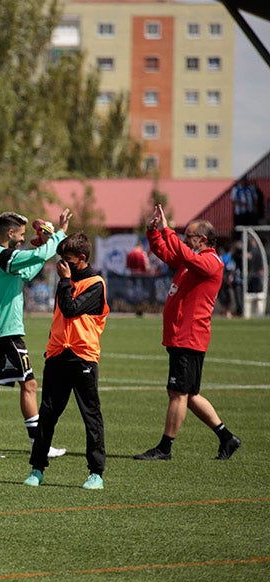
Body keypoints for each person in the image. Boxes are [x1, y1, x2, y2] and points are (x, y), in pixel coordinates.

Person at [134, 205, 242, 461]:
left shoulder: (210, 262)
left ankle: (165, 448)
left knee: (178, 393)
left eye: (188, 236)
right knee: (189, 395)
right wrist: (153, 232)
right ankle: (227, 438)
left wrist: (168, 229)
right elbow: (165, 252)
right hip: (182, 336)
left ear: (202, 240)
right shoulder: (191, 261)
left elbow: (184, 254)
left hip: (189, 337)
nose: (184, 240)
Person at [0, 208, 72, 459]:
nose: (22, 238)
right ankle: (39, 445)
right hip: (8, 332)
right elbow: (37, 255)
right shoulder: (4, 256)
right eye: (21, 234)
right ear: (10, 232)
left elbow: (28, 270)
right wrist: (58, 236)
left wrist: (44, 248)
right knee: (29, 385)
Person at [23, 233, 109, 490]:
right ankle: (37, 468)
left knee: (90, 415)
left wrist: (64, 280)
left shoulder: (95, 284)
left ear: (82, 259)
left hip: (83, 355)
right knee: (47, 413)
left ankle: (96, 473)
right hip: (58, 354)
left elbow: (71, 309)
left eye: (68, 260)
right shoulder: (66, 281)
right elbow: (60, 315)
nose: (63, 264)